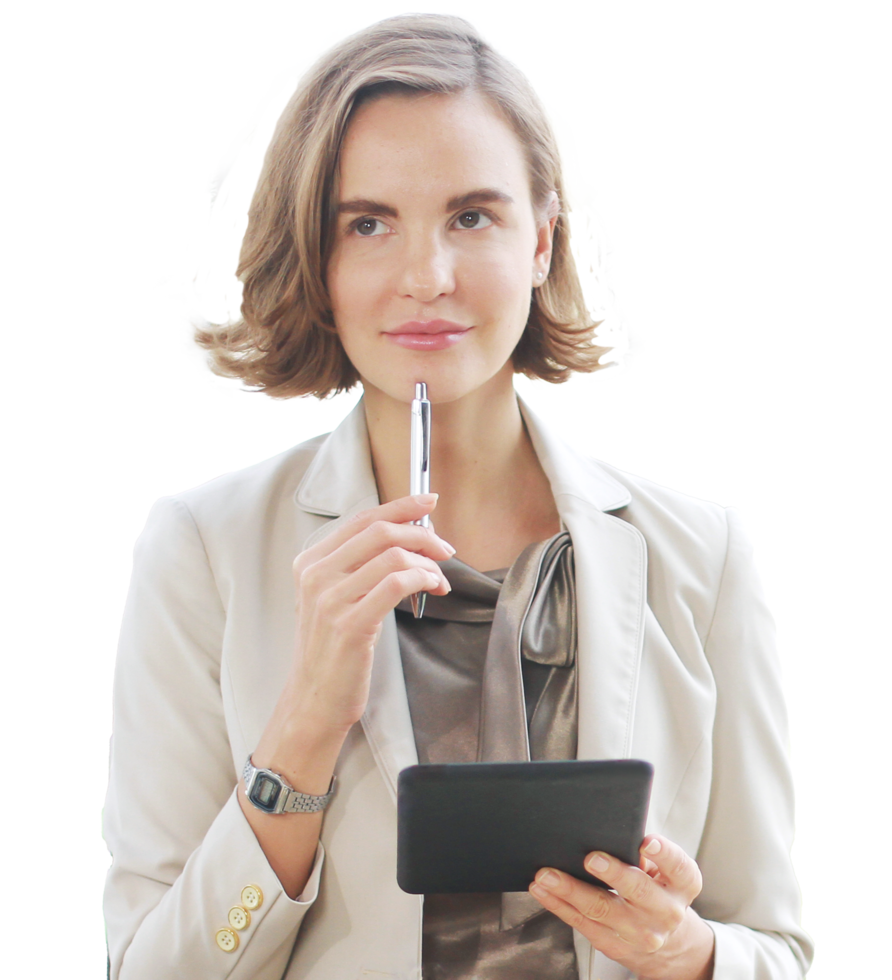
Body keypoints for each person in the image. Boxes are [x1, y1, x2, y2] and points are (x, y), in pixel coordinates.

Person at [101, 7, 815, 979]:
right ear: (317, 257)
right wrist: (303, 725)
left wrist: (687, 951)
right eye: (368, 222)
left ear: (540, 242)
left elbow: (772, 946)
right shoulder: (202, 546)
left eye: (472, 216)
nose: (425, 276)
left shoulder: (702, 552)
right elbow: (157, 971)